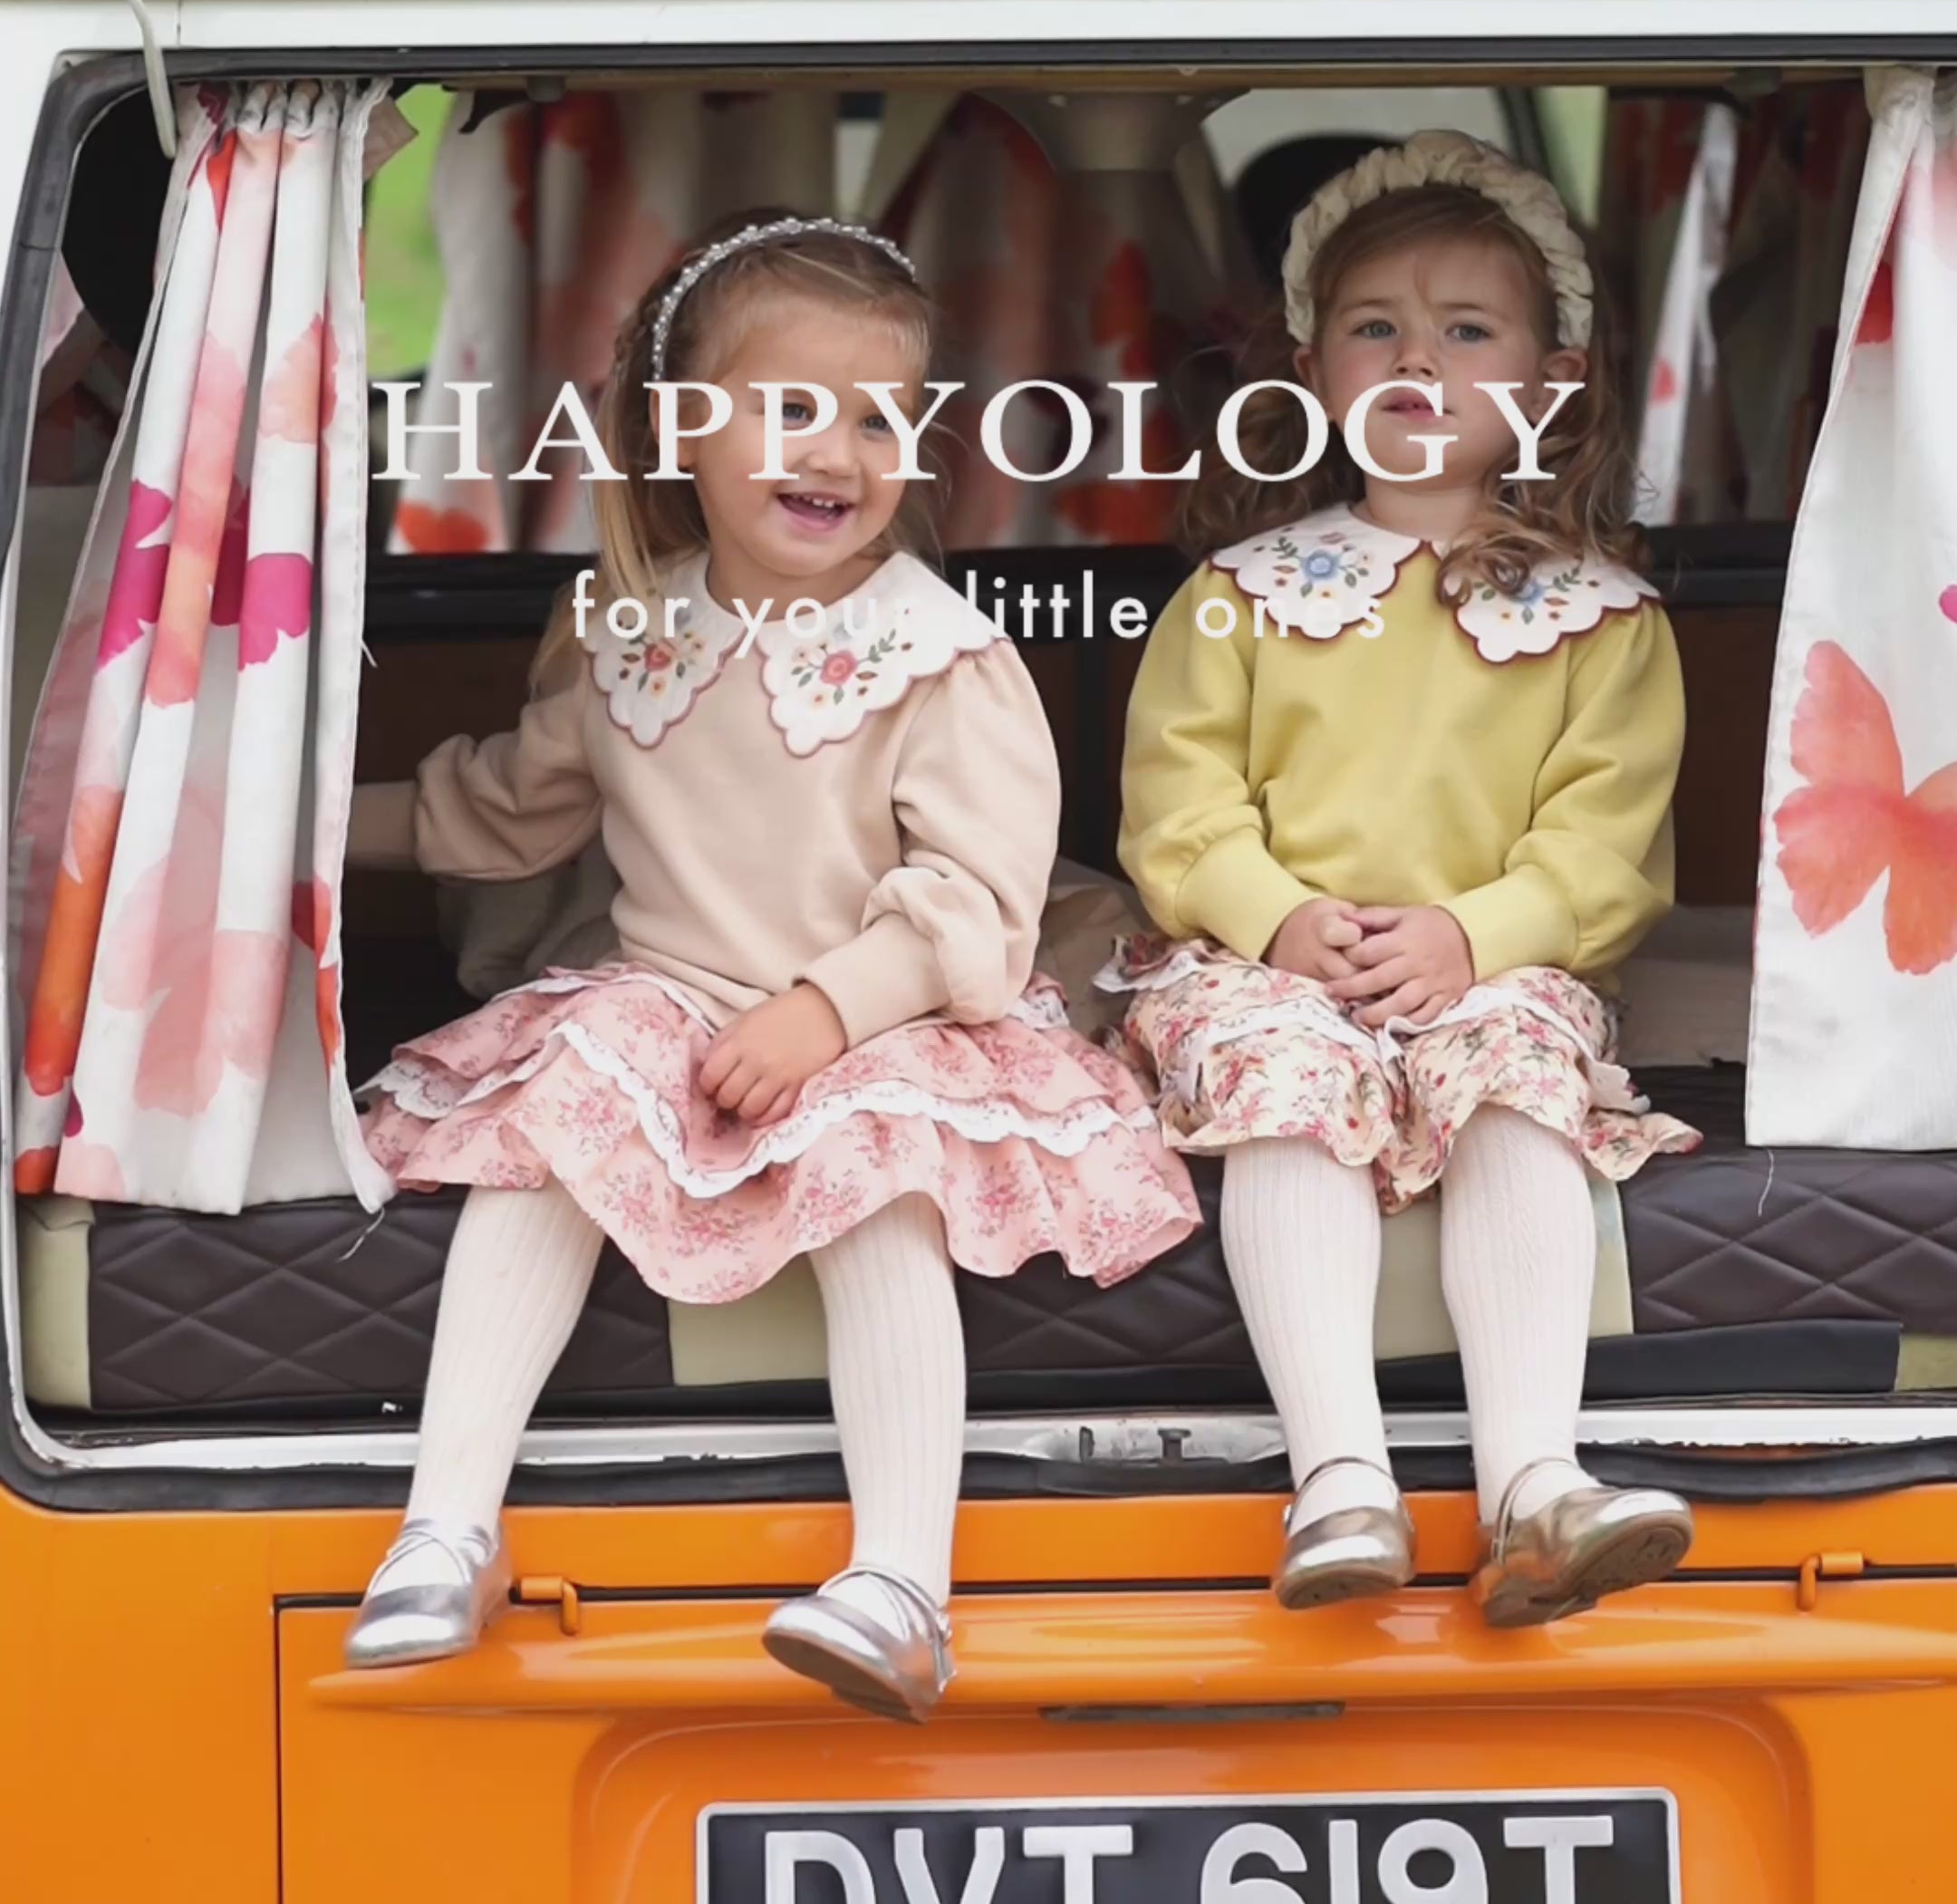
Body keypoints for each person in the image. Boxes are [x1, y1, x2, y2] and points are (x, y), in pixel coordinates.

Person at [342, 212, 1200, 1714]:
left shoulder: (939, 652)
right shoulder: (628, 632)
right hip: (675, 999)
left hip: (887, 1011)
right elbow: (501, 808)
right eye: (794, 407)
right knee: (551, 1125)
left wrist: (827, 1009)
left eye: (880, 418)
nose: (839, 452)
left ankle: (902, 1582)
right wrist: (293, 837)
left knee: (880, 1186)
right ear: (684, 427)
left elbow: (976, 899)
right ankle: (447, 1524)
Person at [1105, 132, 1702, 1629]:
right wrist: (1277, 922)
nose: (1418, 359)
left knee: (1519, 1077)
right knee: (1283, 1082)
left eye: (1467, 330)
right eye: (1377, 326)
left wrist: (1470, 937)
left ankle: (1535, 1484)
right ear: (1315, 372)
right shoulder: (1237, 597)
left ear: (1551, 384)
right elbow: (1177, 809)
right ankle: (1340, 1478)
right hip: (1268, 967)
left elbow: (1604, 847)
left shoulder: (1607, 622)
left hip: (1487, 967)